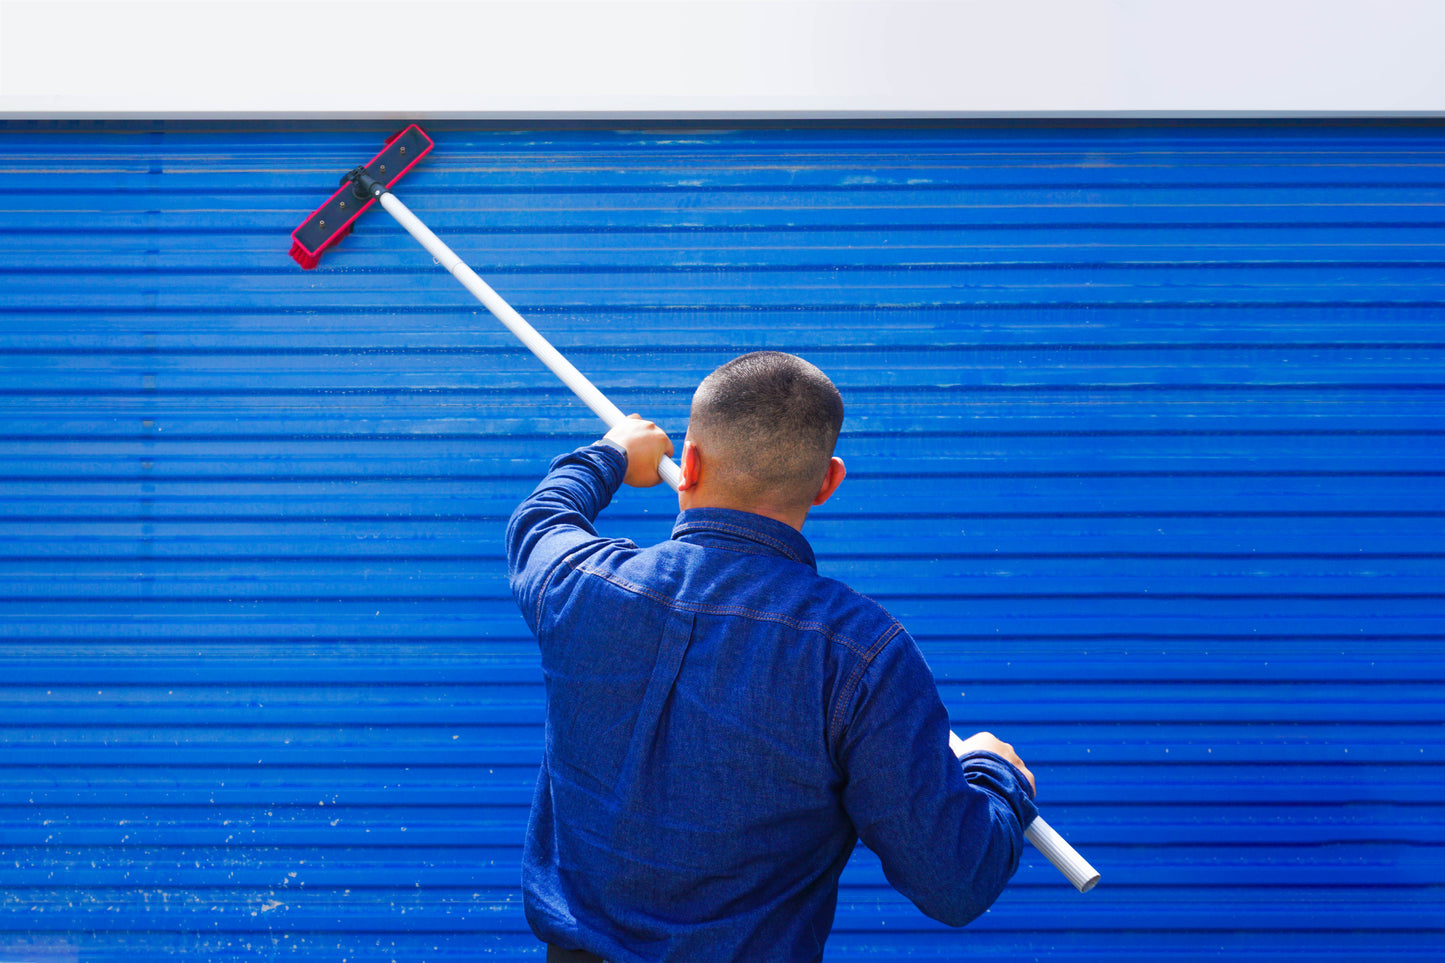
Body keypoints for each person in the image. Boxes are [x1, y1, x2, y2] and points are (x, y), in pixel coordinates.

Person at [507, 351, 1038, 963]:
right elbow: (954, 882)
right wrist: (996, 777)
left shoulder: (585, 585)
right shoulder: (863, 656)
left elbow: (540, 521)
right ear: (828, 482)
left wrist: (612, 453)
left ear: (693, 462)